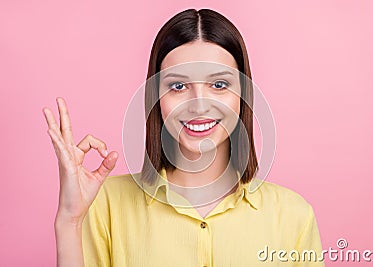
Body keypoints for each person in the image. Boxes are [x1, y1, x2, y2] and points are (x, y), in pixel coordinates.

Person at [43, 8, 324, 267]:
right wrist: (70, 221)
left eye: (219, 84)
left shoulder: (293, 216)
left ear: (243, 95)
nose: (199, 105)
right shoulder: (105, 203)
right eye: (178, 86)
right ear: (157, 98)